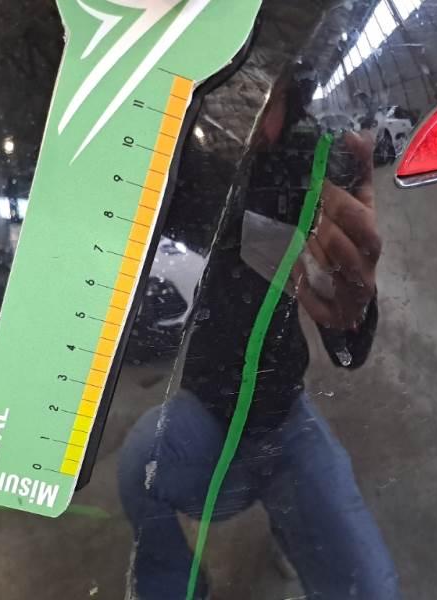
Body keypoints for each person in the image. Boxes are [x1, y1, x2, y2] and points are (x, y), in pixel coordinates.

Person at [117, 71, 400, 599]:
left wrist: (354, 303)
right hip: (206, 409)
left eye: (267, 101)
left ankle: (291, 526)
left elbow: (347, 352)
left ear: (289, 101)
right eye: (234, 98)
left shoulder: (305, 171)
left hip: (282, 416)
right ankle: (177, 586)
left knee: (371, 589)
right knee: (139, 463)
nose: (248, 121)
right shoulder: (184, 169)